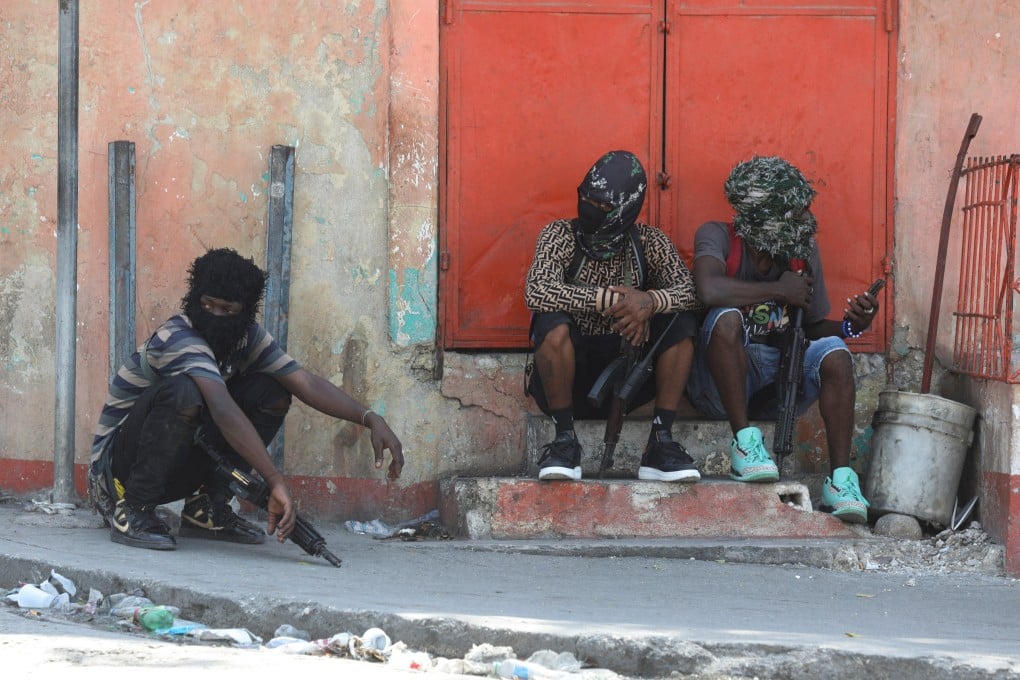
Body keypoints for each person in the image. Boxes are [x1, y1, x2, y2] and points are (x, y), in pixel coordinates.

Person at [87, 247, 404, 551]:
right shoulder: (180, 338)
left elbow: (304, 382)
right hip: (118, 474)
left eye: (228, 310)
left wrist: (368, 417)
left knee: (272, 391)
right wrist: (273, 479)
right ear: (195, 298)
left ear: (245, 311)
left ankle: (206, 507)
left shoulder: (246, 338)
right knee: (184, 392)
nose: (215, 315)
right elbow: (223, 409)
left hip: (176, 462)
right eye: (208, 304)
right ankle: (133, 511)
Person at [686, 156, 879, 523]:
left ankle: (840, 481)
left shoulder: (801, 252)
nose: (807, 221)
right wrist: (777, 289)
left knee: (835, 352)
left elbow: (813, 327)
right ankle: (745, 444)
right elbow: (709, 289)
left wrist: (854, 327)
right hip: (720, 385)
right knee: (725, 319)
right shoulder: (717, 236)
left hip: (779, 381)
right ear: (765, 216)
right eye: (797, 213)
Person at [524, 150, 702, 482]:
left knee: (681, 324)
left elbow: (691, 292)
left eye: (604, 207)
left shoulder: (650, 242)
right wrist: (610, 300)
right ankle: (564, 441)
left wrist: (649, 302)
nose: (591, 209)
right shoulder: (559, 235)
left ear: (627, 210)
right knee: (551, 322)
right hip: (568, 375)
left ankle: (660, 443)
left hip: (630, 379)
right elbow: (537, 290)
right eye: (586, 199)